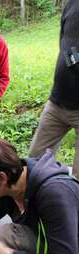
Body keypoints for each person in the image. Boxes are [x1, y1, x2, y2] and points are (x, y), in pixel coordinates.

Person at [28, 0, 79, 179]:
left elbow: (70, 53)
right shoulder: (72, 4)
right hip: (57, 103)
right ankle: (35, 206)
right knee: (34, 164)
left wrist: (72, 57)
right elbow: (65, 45)